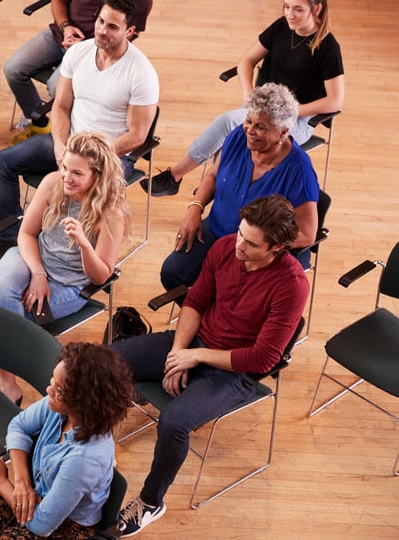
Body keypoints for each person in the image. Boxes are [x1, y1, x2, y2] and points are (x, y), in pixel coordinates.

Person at [113, 195, 310, 537]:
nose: (239, 246)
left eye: (251, 244)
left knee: (174, 422)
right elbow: (196, 301)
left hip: (234, 370)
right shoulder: (223, 248)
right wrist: (178, 354)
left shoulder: (292, 285)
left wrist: (197, 357)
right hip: (193, 343)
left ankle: (150, 502)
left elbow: (263, 358)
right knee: (107, 360)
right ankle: (87, 446)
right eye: (239, 234)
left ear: (277, 248)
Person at [0, 0, 158, 268]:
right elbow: (61, 107)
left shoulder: (141, 73)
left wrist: (90, 157)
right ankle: (10, 239)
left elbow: (138, 135)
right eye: (101, 21)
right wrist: (59, 145)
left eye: (113, 26)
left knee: (73, 188)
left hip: (111, 156)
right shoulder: (80, 52)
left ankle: (76, 260)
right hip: (70, 143)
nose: (102, 30)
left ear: (130, 31)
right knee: (3, 162)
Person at [143, 0, 343, 197]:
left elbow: (335, 100)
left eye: (298, 9)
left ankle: (176, 175)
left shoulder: (327, 47)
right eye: (286, 7)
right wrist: (250, 96)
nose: (290, 14)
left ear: (316, 10)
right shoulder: (281, 27)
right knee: (235, 128)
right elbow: (246, 60)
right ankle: (219, 184)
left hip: (294, 122)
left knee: (229, 123)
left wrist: (294, 111)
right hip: (262, 107)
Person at [0, 341, 135, 540]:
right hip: (30, 496)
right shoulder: (59, 407)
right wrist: (22, 483)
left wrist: (0, 481)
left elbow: (41, 525)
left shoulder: (85, 459)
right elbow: (19, 426)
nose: (48, 389)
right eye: (53, 381)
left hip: (64, 527)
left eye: (58, 389)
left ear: (81, 402)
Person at [0, 132, 130, 404]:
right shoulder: (52, 183)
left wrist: (84, 244)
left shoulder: (111, 212)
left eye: (77, 173)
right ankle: (7, 382)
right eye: (64, 167)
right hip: (33, 258)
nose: (66, 177)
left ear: (97, 176)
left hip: (69, 285)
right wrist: (37, 273)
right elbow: (26, 234)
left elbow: (102, 275)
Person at [159, 82, 319, 292]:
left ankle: (220, 320)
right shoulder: (238, 137)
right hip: (218, 230)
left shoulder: (299, 170)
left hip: (261, 251)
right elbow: (214, 175)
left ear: (283, 133)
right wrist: (195, 207)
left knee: (233, 295)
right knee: (173, 274)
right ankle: (209, 320)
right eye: (249, 121)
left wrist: (258, 246)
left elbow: (307, 235)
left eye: (261, 127)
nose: (250, 131)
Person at [5, 0, 152, 145]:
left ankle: (72, 136)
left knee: (55, 87)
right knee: (12, 69)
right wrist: (65, 27)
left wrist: (89, 47)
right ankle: (41, 123)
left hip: (93, 50)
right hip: (60, 35)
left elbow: (130, 34)